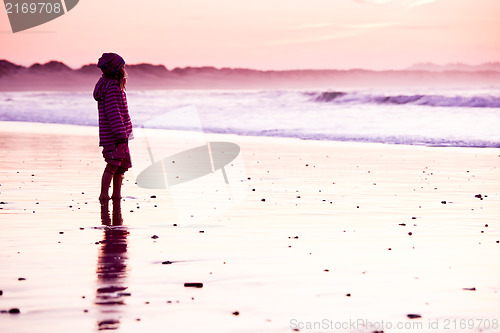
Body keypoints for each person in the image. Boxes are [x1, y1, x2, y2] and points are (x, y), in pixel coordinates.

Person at [94, 53, 133, 203]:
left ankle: (117, 194)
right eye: (122, 66)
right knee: (112, 165)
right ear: (117, 69)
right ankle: (104, 194)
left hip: (121, 134)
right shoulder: (112, 89)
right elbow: (114, 113)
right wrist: (120, 133)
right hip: (115, 136)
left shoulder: (114, 86)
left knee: (121, 166)